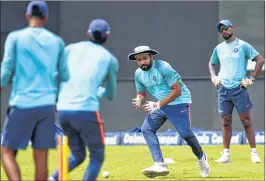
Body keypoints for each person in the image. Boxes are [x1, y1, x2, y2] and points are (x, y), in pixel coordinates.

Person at [0, 1, 69, 180]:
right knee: (41, 158)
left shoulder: (15, 38)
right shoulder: (57, 42)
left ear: (27, 15)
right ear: (46, 17)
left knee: (7, 152)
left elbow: (6, 69)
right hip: (46, 106)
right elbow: (65, 75)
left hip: (21, 103)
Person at [49, 19, 119, 181]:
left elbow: (54, 75)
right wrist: (99, 91)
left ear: (89, 33)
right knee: (97, 156)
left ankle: (52, 179)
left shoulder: (70, 49)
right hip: (86, 111)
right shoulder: (109, 59)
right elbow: (110, 92)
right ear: (107, 36)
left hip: (63, 110)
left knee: (78, 154)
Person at [129, 46, 210, 178]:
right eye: (139, 60)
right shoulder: (138, 73)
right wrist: (139, 99)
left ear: (151, 57)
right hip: (160, 104)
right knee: (146, 129)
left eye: (144, 58)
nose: (142, 62)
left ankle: (201, 157)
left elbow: (177, 91)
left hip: (179, 102)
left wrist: (158, 104)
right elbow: (141, 93)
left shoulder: (163, 67)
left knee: (185, 134)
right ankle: (159, 163)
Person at [209, 20, 265, 163]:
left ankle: (254, 152)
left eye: (226, 28)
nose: (224, 31)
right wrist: (213, 76)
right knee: (226, 122)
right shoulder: (219, 48)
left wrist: (251, 79)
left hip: (239, 89)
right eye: (221, 30)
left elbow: (260, 60)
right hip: (223, 90)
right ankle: (226, 154)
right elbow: (212, 62)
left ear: (232, 28)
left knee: (246, 121)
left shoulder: (243, 45)